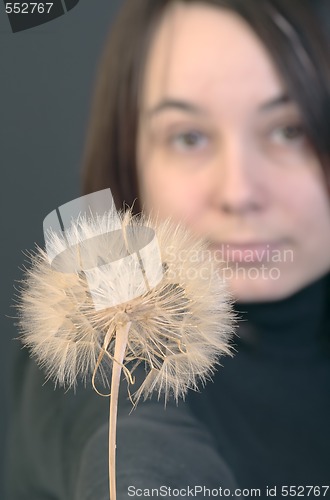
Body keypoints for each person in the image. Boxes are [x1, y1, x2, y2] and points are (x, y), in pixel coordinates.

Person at [6, 0, 330, 498]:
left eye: (290, 131)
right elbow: (129, 438)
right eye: (189, 137)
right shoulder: (102, 331)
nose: (239, 191)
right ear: (130, 158)